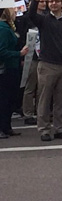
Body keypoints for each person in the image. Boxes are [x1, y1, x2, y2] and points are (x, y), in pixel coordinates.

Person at [28, 0, 62, 142]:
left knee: (61, 100)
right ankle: (44, 129)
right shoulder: (43, 20)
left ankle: (59, 128)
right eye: (51, 2)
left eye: (56, 1)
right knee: (44, 99)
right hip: (47, 65)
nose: (53, 4)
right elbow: (31, 15)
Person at [0, 9, 26, 138]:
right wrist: (18, 54)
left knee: (10, 99)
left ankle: (6, 126)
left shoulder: (8, 27)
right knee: (4, 99)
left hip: (12, 66)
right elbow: (1, 51)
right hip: (6, 69)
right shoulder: (3, 29)